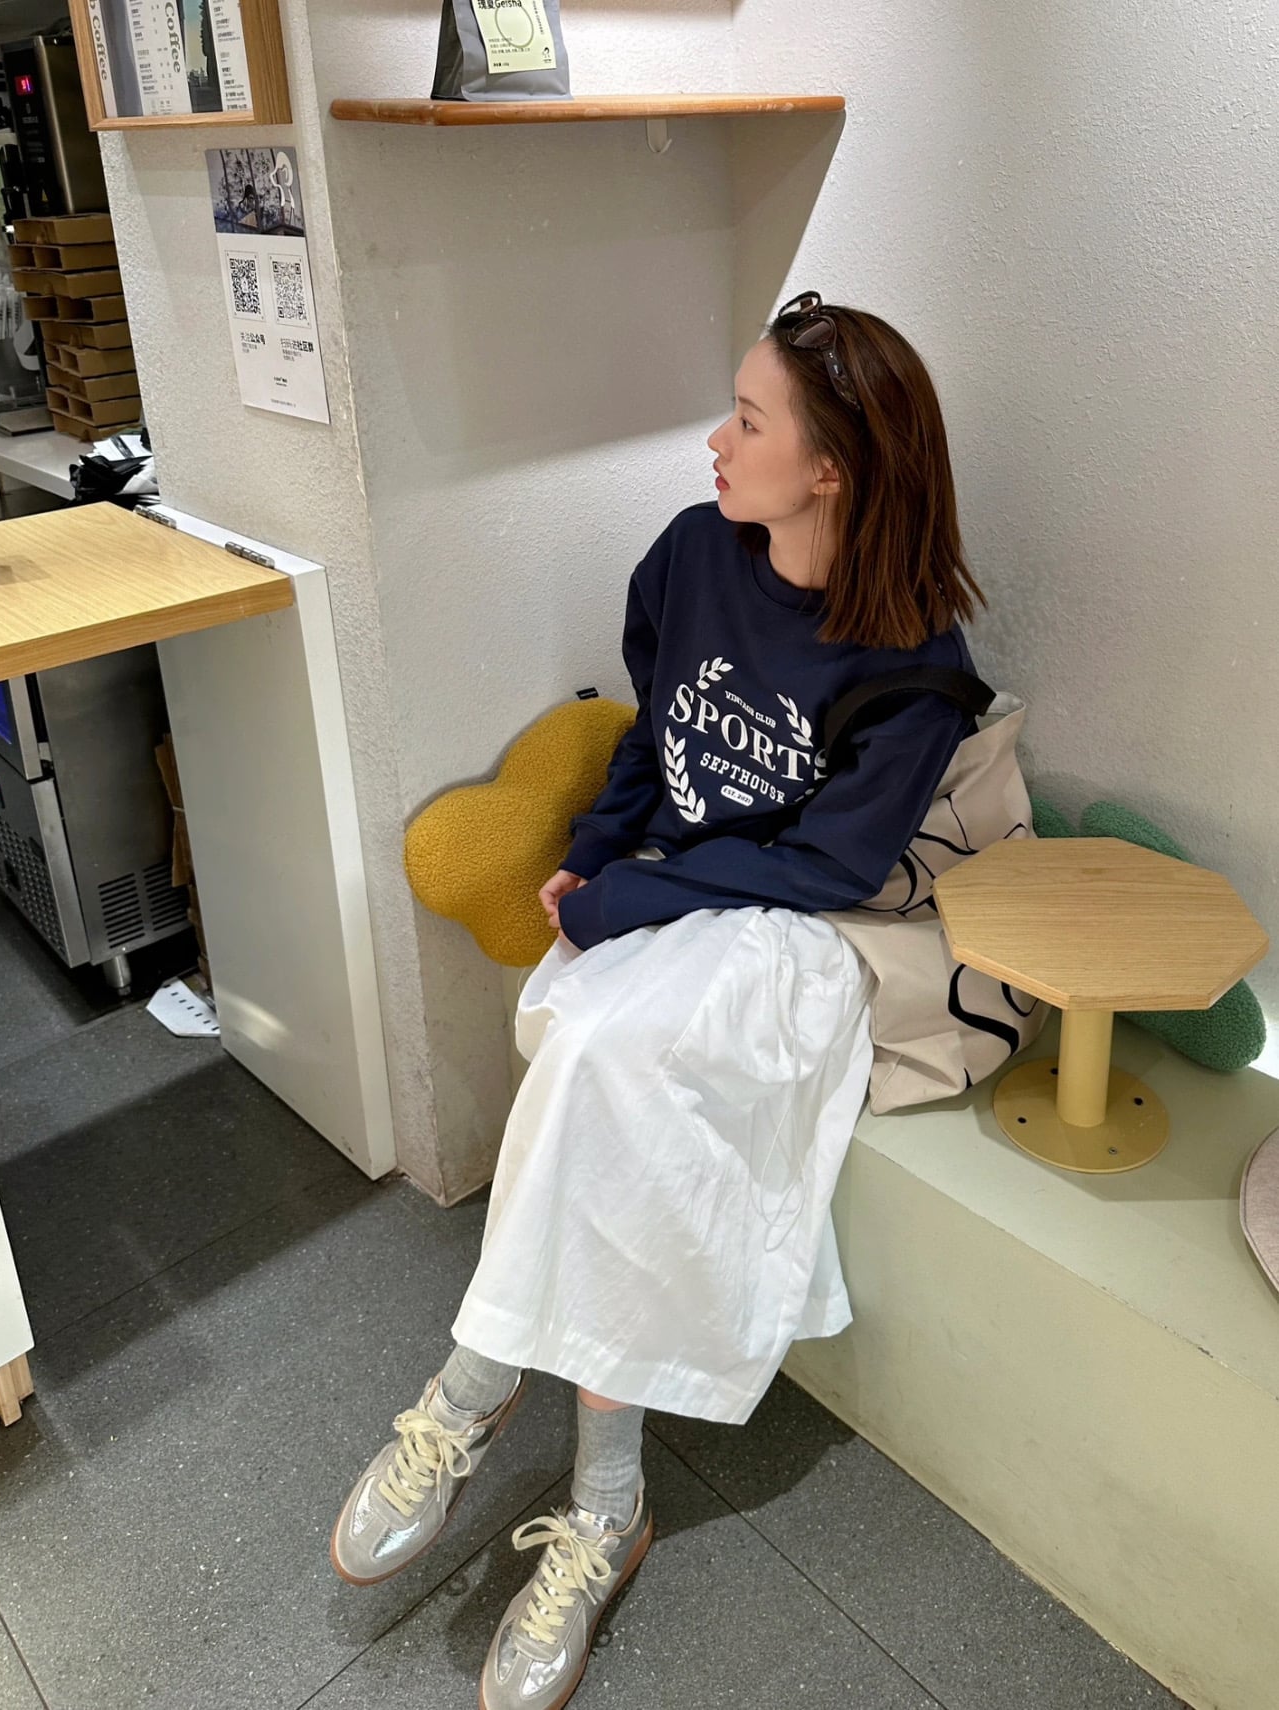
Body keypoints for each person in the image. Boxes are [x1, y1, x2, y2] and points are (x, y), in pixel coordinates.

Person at [329, 291, 989, 1708]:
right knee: (601, 1064)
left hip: (792, 934)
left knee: (597, 1051)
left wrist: (631, 899)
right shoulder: (694, 551)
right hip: (669, 890)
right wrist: (594, 850)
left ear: (831, 468)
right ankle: (607, 1501)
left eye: (747, 421)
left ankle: (473, 1383)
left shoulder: (914, 669)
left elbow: (825, 866)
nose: (714, 441)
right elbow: (655, 732)